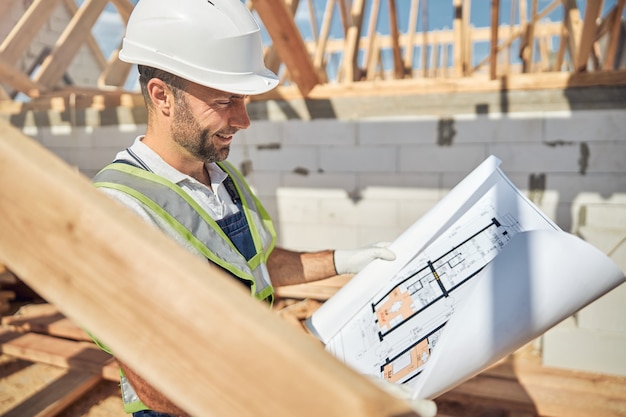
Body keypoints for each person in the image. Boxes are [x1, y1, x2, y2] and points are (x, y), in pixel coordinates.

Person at [90, 0, 399, 416]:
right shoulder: (118, 204)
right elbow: (152, 379)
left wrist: (342, 261)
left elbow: (254, 266)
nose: (243, 119)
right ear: (162, 96)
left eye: (244, 100)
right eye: (224, 101)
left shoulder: (221, 176)